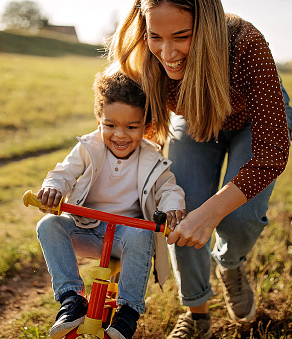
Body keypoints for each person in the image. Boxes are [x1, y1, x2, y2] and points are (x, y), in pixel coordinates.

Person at [106, 1, 292, 338]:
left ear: (206, 27)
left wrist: (210, 215)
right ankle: (198, 313)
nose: (167, 52)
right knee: (180, 208)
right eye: (155, 37)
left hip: (251, 121)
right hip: (194, 120)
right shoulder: (144, 60)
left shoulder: (246, 44)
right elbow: (128, 134)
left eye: (181, 36)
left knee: (239, 218)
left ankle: (230, 263)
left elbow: (271, 153)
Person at [35, 71, 186, 339]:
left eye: (131, 127)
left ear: (145, 126)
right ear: (99, 121)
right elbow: (64, 173)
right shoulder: (89, 146)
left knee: (142, 233)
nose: (120, 135)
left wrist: (173, 206)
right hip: (86, 229)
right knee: (49, 224)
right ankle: (71, 299)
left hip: (126, 237)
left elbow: (168, 188)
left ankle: (128, 312)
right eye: (110, 125)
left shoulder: (151, 157)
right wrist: (53, 188)